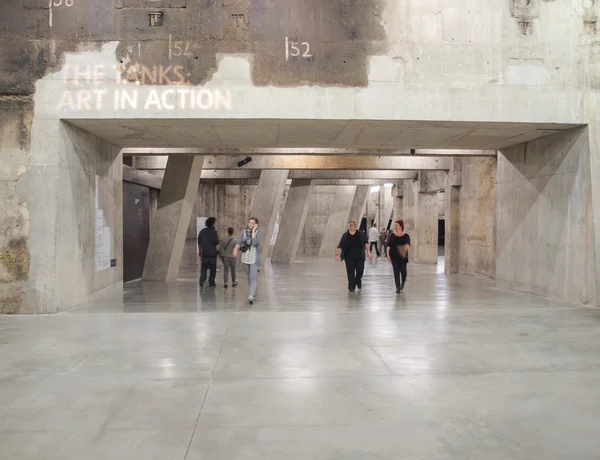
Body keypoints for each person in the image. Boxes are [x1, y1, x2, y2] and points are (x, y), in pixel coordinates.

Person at [335, 220, 373, 292]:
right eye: (350, 225)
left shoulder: (360, 234)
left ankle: (358, 280)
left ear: (355, 226)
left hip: (360, 257)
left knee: (360, 270)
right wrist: (337, 254)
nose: (350, 226)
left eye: (352, 225)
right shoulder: (345, 235)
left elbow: (366, 243)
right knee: (350, 272)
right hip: (349, 257)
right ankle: (351, 286)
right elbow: (340, 246)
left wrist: (368, 251)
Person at [233, 217, 262, 304]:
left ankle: (251, 295)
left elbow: (255, 242)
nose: (250, 224)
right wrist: (235, 249)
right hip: (245, 257)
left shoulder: (258, 232)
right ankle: (252, 292)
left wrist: (253, 232)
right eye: (249, 222)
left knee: (253, 276)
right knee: (249, 276)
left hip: (254, 258)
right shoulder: (243, 232)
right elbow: (239, 241)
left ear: (256, 224)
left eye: (253, 223)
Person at [386, 219, 411, 293]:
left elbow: (407, 245)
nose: (395, 227)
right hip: (394, 257)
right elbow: (389, 245)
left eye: (396, 225)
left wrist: (402, 251)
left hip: (403, 258)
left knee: (403, 271)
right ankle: (397, 287)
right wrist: (388, 254)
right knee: (396, 272)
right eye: (394, 225)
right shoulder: (392, 235)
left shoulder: (406, 236)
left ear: (401, 226)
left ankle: (402, 283)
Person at [198, 217, 220, 288]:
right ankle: (211, 282)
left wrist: (200, 251)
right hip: (212, 254)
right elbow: (216, 242)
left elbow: (199, 242)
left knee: (203, 268)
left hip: (204, 254)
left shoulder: (202, 232)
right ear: (212, 224)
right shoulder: (214, 232)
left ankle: (202, 280)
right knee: (212, 269)